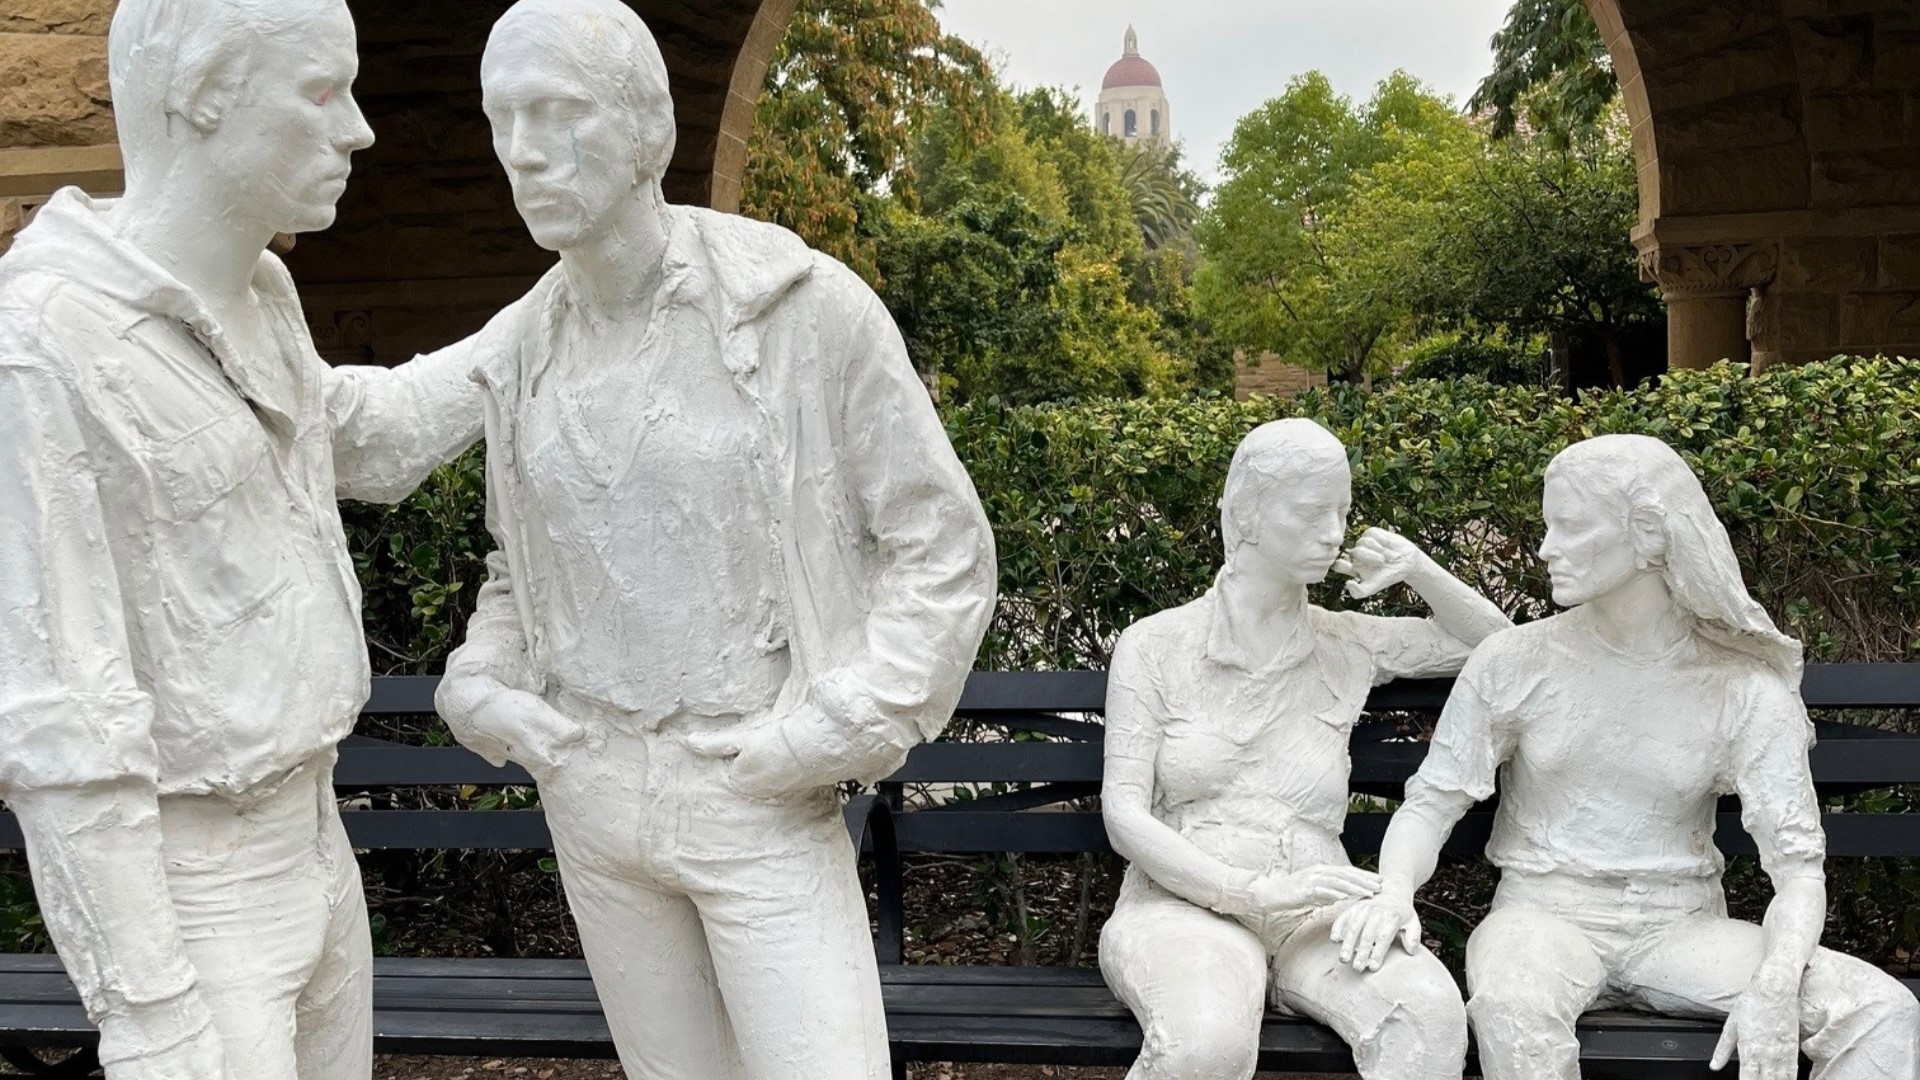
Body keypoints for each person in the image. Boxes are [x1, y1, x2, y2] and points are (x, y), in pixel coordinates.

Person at [430, 2, 997, 1077]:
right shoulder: (522, 352)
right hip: (591, 791)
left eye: (558, 112)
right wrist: (483, 686)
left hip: (755, 784)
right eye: (503, 118)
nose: (523, 151)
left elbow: (942, 550)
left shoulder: (801, 308)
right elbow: (522, 567)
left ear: (649, 127)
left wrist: (831, 730)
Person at [0, 1, 483, 1077]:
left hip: (316, 841)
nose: (359, 128)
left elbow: (356, 437)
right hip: (197, 889)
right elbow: (59, 715)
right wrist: (150, 1013)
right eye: (321, 91)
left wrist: (546, 315)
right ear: (204, 96)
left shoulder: (263, 291)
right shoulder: (43, 344)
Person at [1332, 434, 1920, 1080]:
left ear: (1648, 537)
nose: (1546, 549)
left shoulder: (1743, 689)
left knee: (1882, 1012)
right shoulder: (1514, 662)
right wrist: (1395, 891)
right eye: (1547, 526)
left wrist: (1777, 981)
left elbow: (1799, 870)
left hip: (1681, 930)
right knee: (1512, 1003)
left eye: (1571, 527)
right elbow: (1432, 803)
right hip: (1541, 918)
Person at [1098, 419, 1510, 1080]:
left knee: (1427, 1017)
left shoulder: (1348, 641)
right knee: (1205, 1044)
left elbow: (1500, 650)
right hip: (1182, 905)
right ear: (1248, 514)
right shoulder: (1156, 646)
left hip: (1318, 908)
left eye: (1342, 512)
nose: (1333, 532)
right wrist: (1247, 891)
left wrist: (1418, 570)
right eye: (1311, 512)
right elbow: (1123, 813)